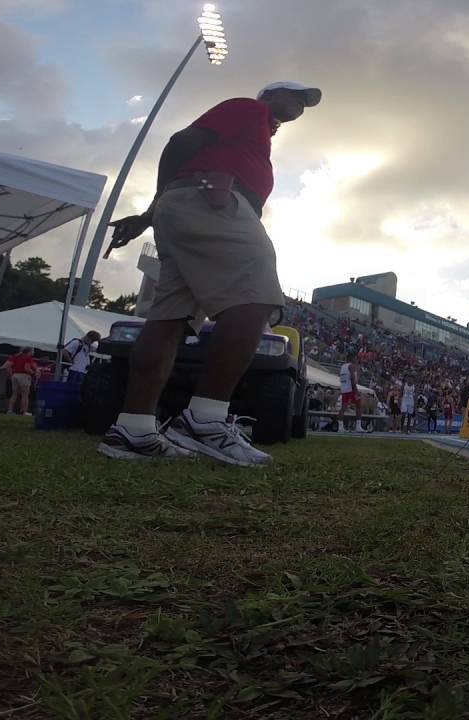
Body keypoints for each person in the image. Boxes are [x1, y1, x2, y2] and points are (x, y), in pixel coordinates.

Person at [99, 81, 322, 464]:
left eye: (304, 103)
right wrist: (165, 199)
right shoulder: (249, 110)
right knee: (257, 297)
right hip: (213, 201)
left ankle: (133, 427)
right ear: (268, 96)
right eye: (294, 96)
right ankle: (205, 419)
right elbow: (180, 142)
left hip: (189, 207)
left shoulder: (251, 133)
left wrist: (154, 213)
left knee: (169, 319)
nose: (299, 106)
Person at [1, 347, 37, 416]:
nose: (33, 352)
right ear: (29, 351)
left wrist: (11, 374)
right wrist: (33, 373)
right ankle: (24, 412)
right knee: (25, 395)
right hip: (24, 376)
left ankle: (10, 410)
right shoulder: (28, 357)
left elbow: (6, 366)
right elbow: (26, 368)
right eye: (33, 351)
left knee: (14, 394)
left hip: (15, 375)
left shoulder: (14, 357)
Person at [338, 354, 363, 433]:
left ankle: (340, 427)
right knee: (359, 406)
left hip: (344, 389)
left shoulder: (343, 366)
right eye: (356, 358)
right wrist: (355, 389)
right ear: (352, 359)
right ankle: (358, 427)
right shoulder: (352, 366)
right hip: (351, 388)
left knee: (343, 408)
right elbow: (352, 377)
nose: (357, 360)